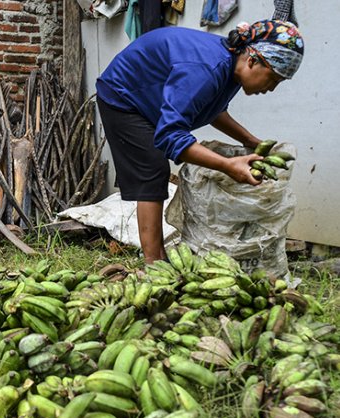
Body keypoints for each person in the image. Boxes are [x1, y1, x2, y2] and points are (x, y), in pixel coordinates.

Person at [95, 19, 304, 263]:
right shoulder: (206, 68)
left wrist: (250, 141)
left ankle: (159, 259)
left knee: (155, 164)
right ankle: (154, 264)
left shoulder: (230, 69)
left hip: (150, 99)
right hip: (123, 95)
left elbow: (212, 109)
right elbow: (170, 135)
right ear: (252, 60)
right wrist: (228, 165)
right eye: (273, 79)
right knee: (152, 169)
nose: (271, 88)